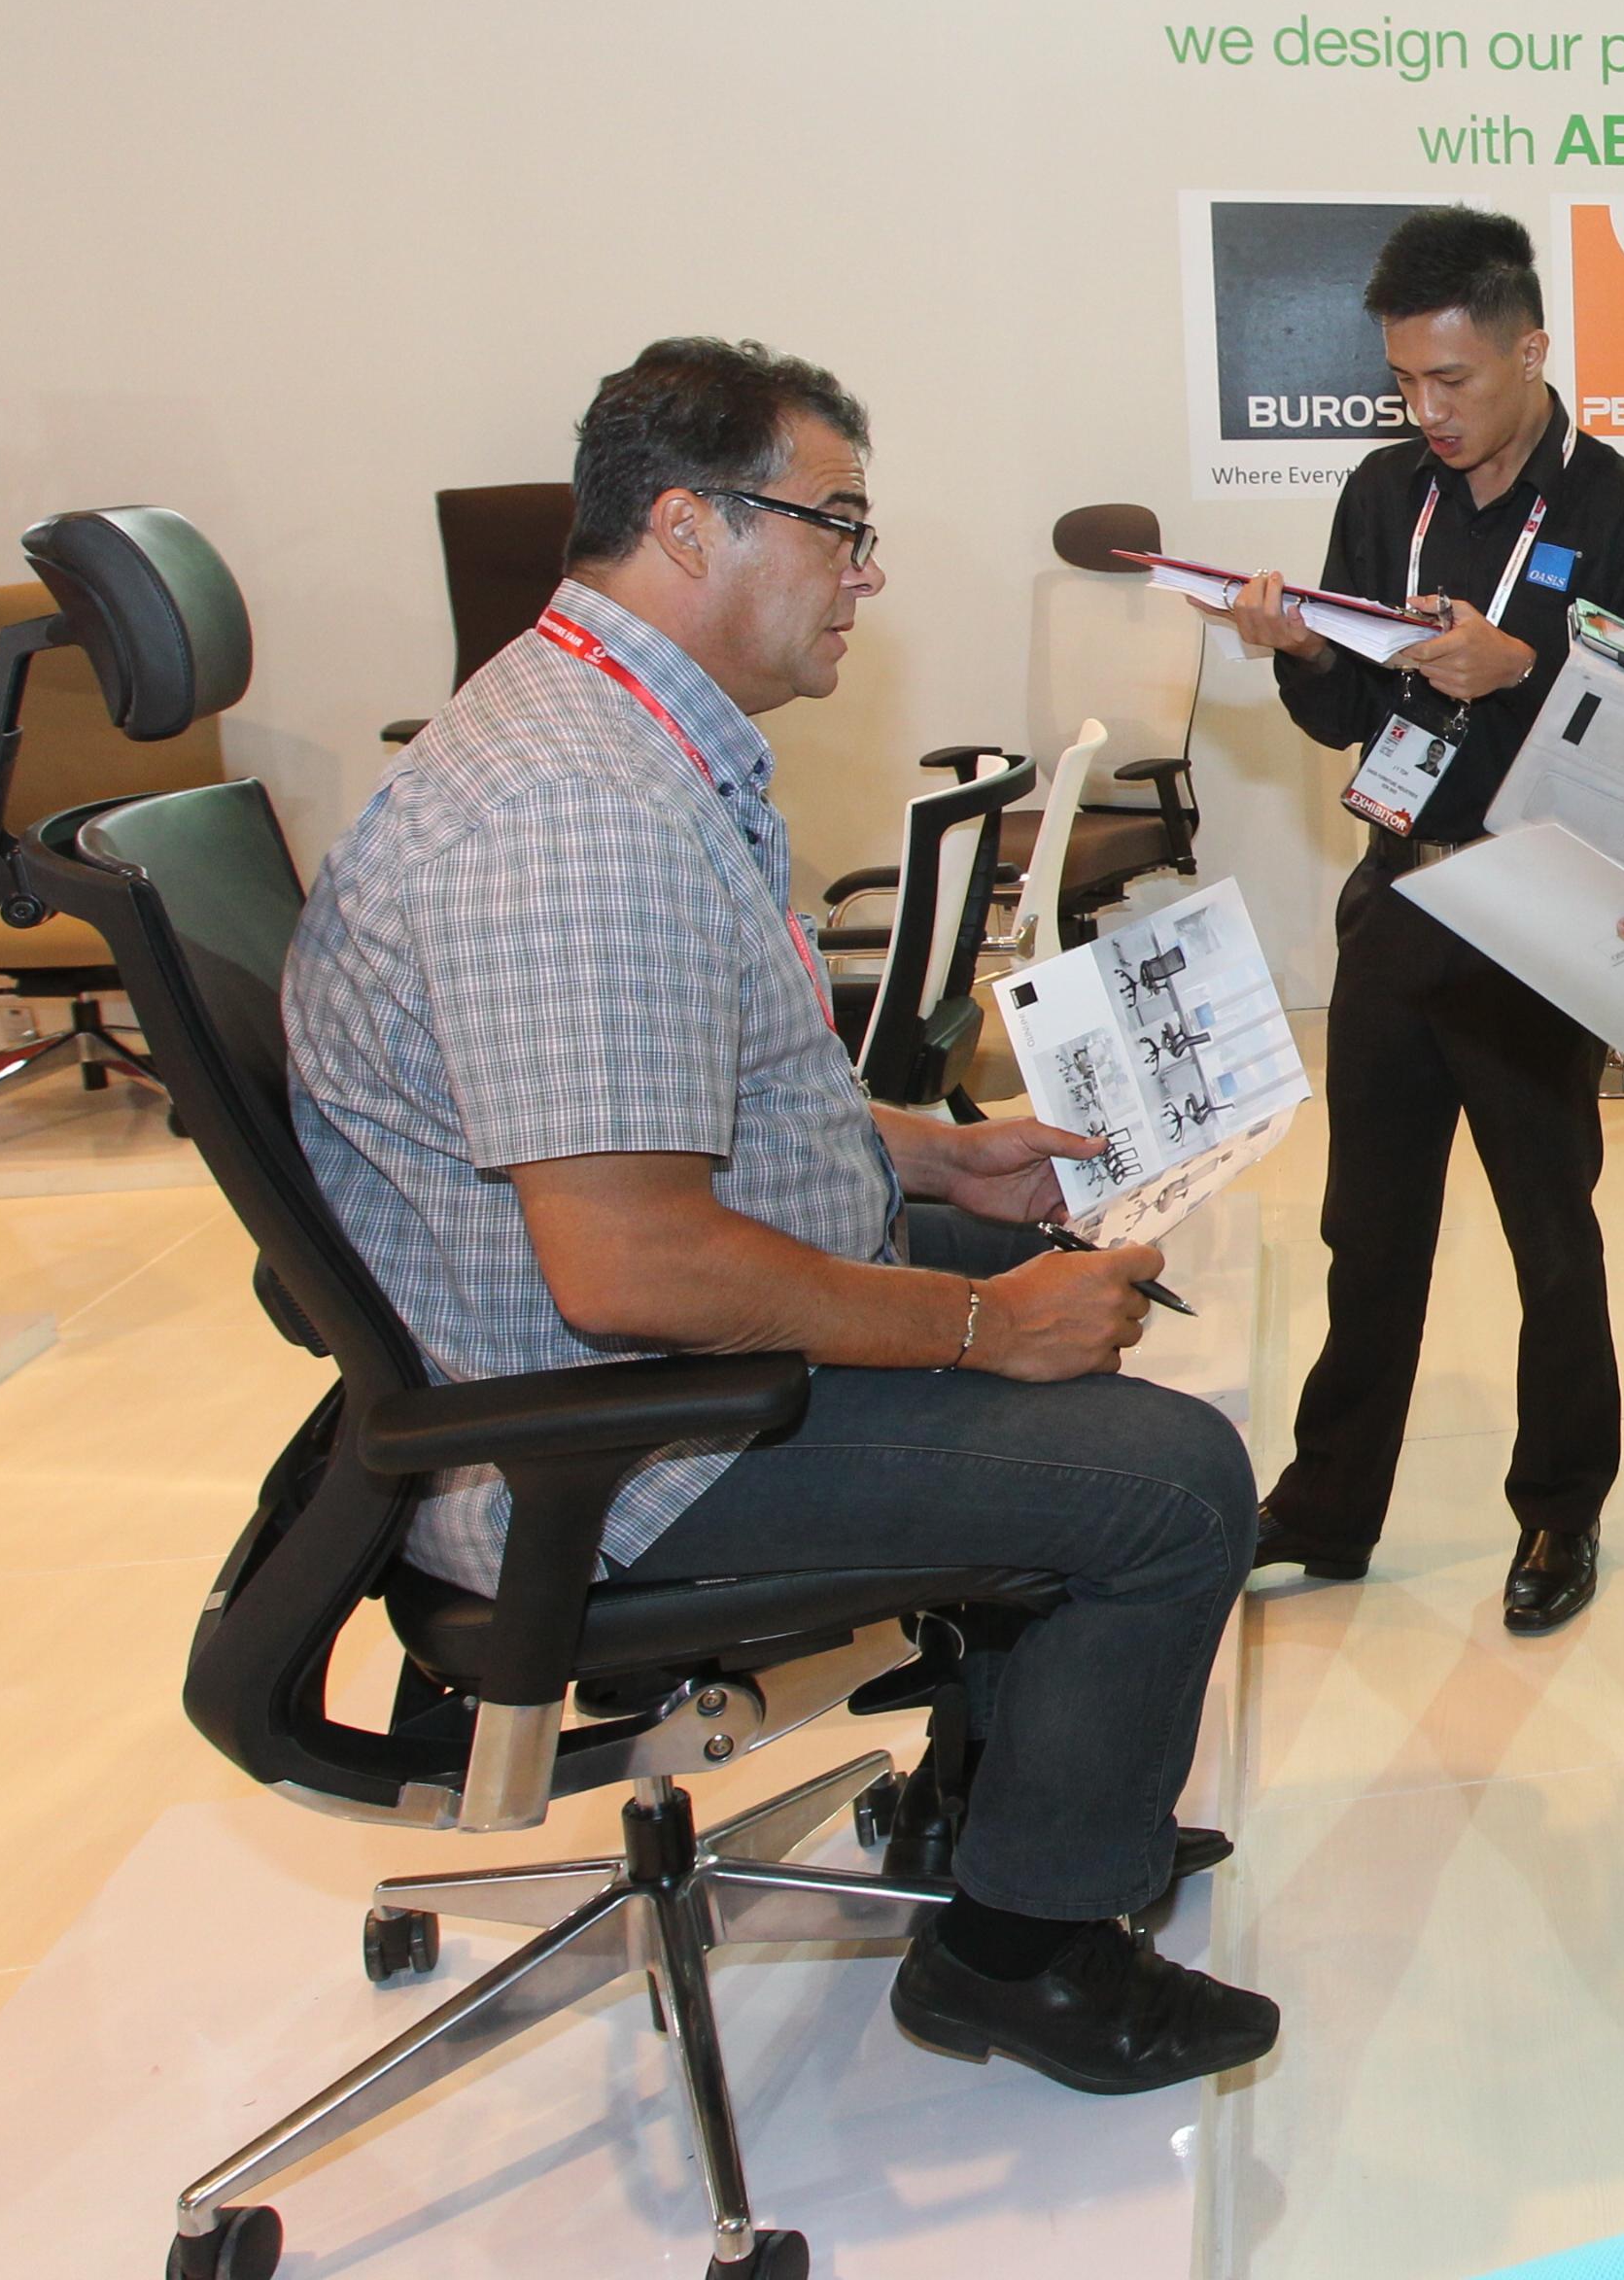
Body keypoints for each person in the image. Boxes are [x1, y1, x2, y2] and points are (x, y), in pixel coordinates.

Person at [287, 337, 1277, 2094]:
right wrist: (977, 1330)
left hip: (614, 1360)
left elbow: (683, 1096)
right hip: (620, 1441)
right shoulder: (573, 816)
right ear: (691, 524)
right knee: (1174, 1486)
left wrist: (928, 1161)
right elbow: (632, 1261)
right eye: (840, 526)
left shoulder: (610, 733)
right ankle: (1021, 1957)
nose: (864, 576)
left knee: (1045, 1271)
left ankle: (1023, 1801)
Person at [1215, 205, 1624, 1634]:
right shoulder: (1385, 495)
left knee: (1551, 1235)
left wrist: (1523, 671)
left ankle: (1560, 1509)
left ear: (1529, 351)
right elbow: (1349, 723)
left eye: (1452, 380)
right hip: (1400, 894)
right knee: (1366, 1230)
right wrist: (1304, 653)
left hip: (1542, 917)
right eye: (1404, 382)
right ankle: (1327, 1505)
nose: (1426, 410)